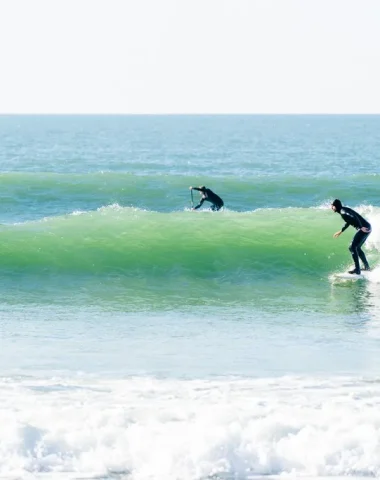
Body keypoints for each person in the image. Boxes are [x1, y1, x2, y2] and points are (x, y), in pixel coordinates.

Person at [331, 199, 371, 274]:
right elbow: (348, 221)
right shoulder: (344, 210)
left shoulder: (343, 212)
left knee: (352, 247)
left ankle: (357, 269)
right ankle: (367, 267)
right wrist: (341, 231)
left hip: (364, 228)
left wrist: (360, 227)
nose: (331, 208)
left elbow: (353, 216)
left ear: (335, 206)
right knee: (357, 248)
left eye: (332, 206)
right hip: (368, 227)